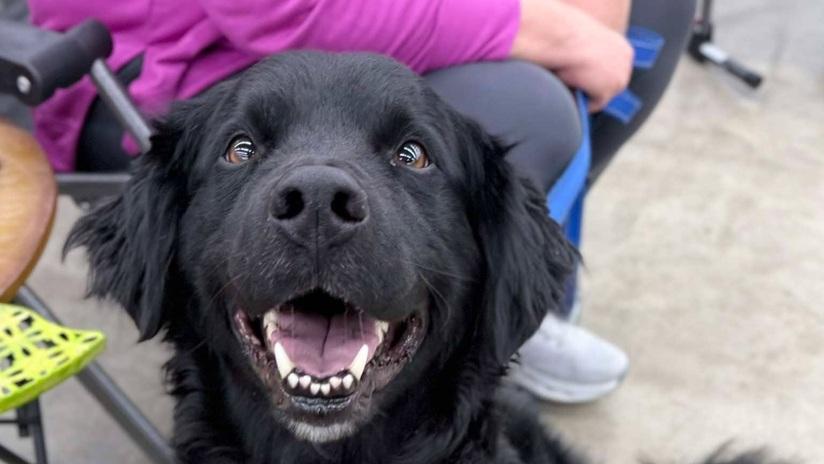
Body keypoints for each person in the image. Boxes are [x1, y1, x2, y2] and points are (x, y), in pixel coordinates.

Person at [29, 0, 696, 403]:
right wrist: (557, 34)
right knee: (533, 106)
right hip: (168, 58)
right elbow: (293, 12)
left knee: (653, 8)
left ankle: (487, 301)